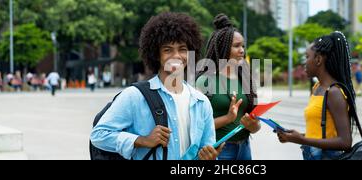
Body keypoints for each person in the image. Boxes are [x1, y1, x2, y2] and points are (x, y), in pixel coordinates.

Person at [91, 12, 222, 160]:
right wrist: (142, 140)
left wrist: (209, 157)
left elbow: (206, 149)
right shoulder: (135, 96)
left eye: (182, 49)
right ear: (156, 54)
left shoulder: (201, 102)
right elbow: (99, 135)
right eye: (168, 50)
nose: (176, 56)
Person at [277, 32, 355, 160]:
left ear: (318, 59)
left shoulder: (334, 92)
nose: (304, 62)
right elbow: (320, 133)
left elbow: (345, 142)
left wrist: (302, 139)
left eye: (307, 57)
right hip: (312, 155)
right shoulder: (316, 87)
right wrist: (293, 137)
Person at [196, 14, 260, 160]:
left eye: (243, 46)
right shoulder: (205, 81)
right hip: (219, 150)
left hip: (244, 148)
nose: (242, 50)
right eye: (237, 46)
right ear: (222, 48)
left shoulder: (245, 79)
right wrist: (228, 118)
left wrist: (252, 125)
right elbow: (197, 126)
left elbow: (256, 128)